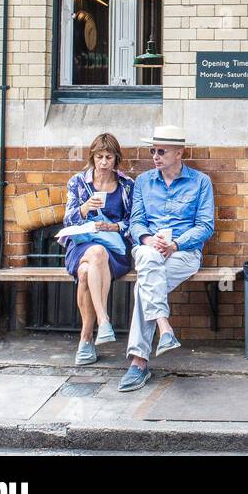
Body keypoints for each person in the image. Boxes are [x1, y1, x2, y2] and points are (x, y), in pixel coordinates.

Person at [118, 125, 215, 393]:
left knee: (144, 286)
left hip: (183, 253)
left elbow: (205, 226)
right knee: (149, 260)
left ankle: (140, 363)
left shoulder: (200, 182)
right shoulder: (144, 181)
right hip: (148, 249)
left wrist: (176, 244)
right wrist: (149, 239)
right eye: (152, 150)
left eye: (161, 151)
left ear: (179, 153)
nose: (155, 156)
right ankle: (160, 332)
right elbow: (135, 222)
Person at [62, 134, 136, 366]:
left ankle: (86, 340)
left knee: (87, 271)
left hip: (114, 249)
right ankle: (104, 321)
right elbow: (67, 221)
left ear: (116, 159)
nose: (103, 162)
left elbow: (134, 222)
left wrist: (114, 226)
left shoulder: (126, 185)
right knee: (95, 253)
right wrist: (84, 208)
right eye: (99, 157)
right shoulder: (78, 183)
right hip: (83, 246)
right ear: (92, 157)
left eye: (109, 157)